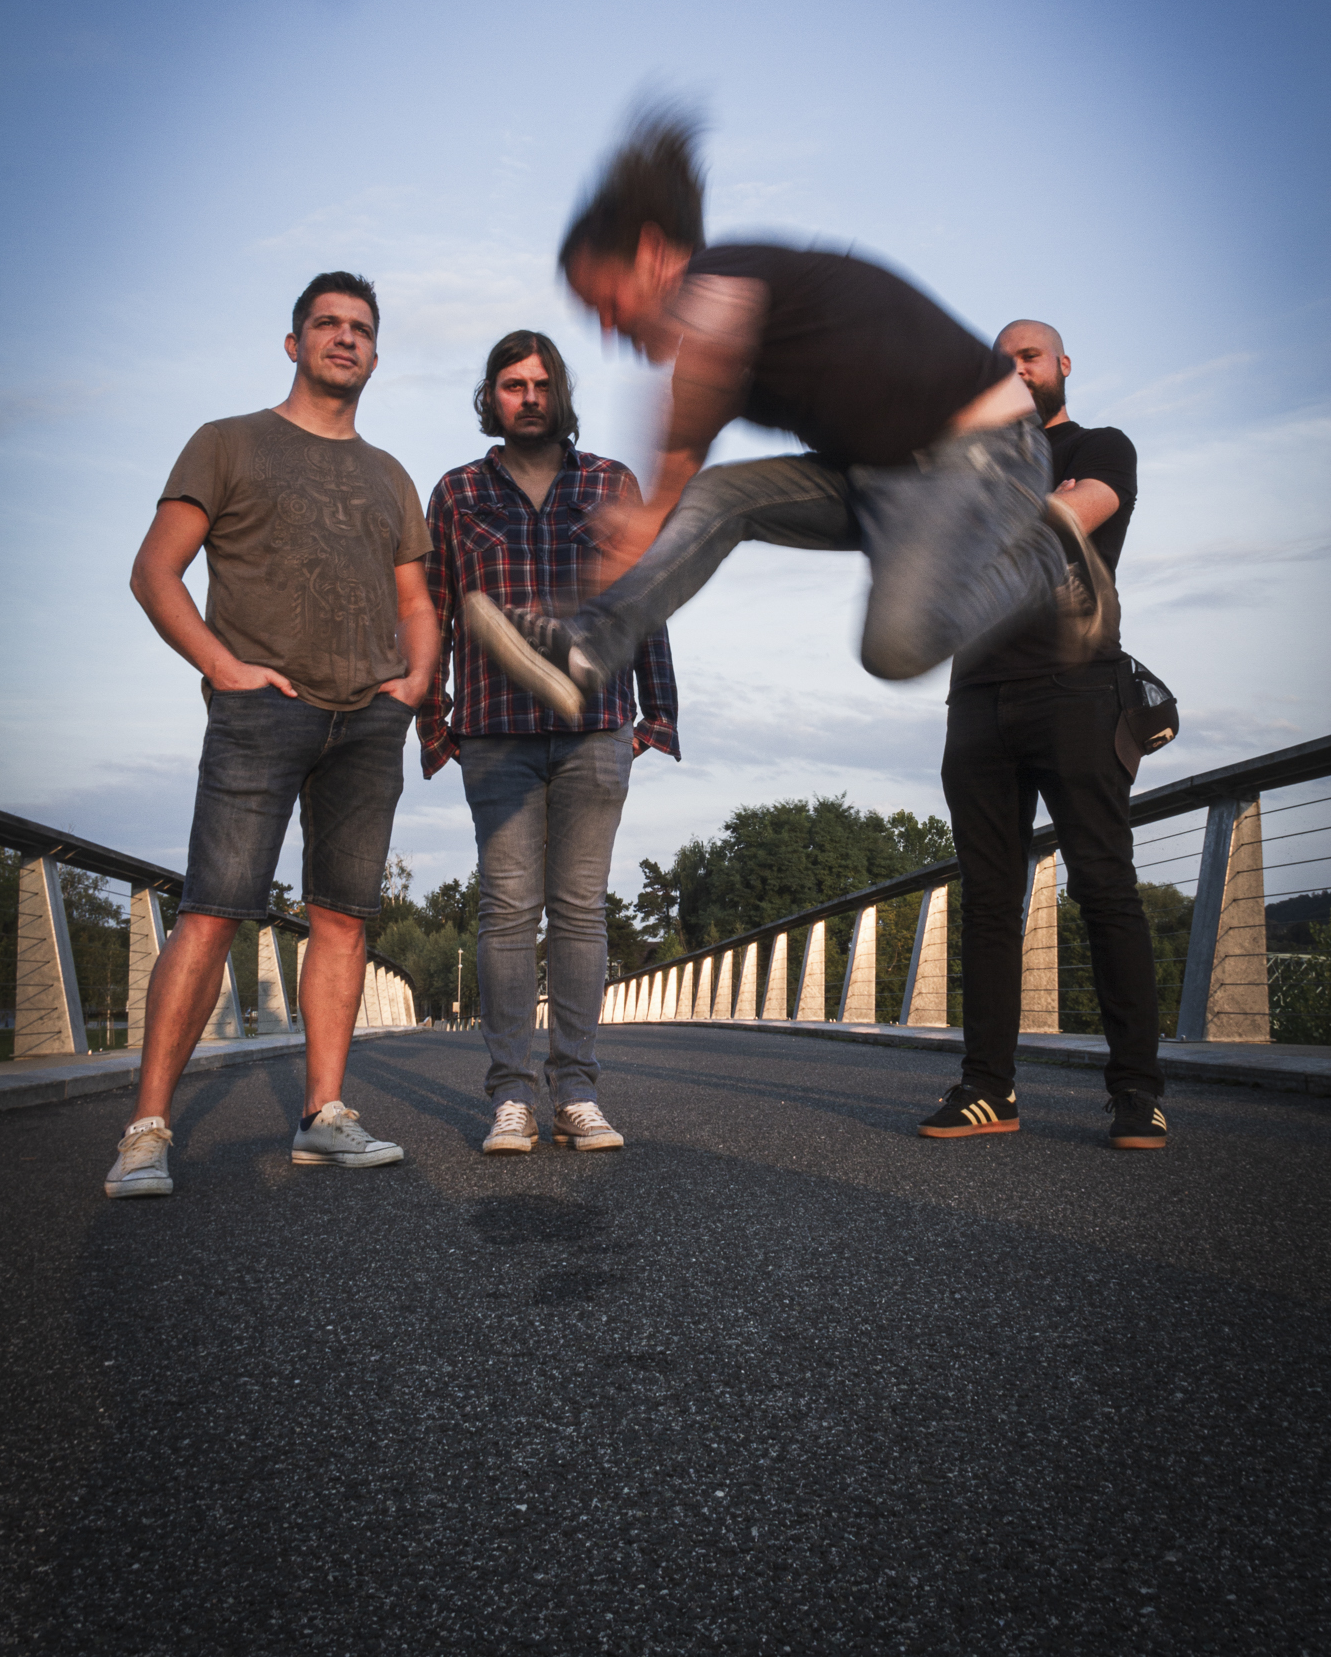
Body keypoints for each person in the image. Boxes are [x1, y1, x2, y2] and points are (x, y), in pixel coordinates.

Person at [461, 110, 1118, 732]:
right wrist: (609, 562)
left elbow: (691, 396)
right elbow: (674, 484)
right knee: (718, 498)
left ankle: (1048, 557)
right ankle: (585, 648)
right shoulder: (708, 345)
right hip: (877, 478)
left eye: (608, 302)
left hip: (988, 457)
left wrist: (647, 510)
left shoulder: (724, 280)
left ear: (653, 254)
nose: (610, 330)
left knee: (894, 648)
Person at [104, 273, 439, 1198]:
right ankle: (145, 1132)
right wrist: (223, 666)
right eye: (326, 324)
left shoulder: (391, 474)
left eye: (359, 328)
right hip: (262, 709)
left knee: (344, 917)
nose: (344, 338)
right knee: (214, 910)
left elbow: (416, 599)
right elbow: (155, 570)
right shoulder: (227, 442)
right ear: (294, 344)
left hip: (368, 718)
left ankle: (323, 1117)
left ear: (375, 354)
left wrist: (414, 683)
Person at [419, 331, 679, 1153]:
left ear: (559, 394)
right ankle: (510, 1096)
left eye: (540, 384)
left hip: (595, 728)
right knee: (505, 914)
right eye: (511, 384)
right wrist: (434, 722)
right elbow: (430, 612)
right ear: (490, 397)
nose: (527, 397)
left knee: (578, 912)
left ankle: (576, 1092)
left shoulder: (610, 483)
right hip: (493, 731)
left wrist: (655, 718)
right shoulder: (457, 492)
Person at [920, 319, 1167, 1149]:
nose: (1016, 369)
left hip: (1075, 689)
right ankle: (986, 1088)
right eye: (1001, 363)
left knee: (1104, 889)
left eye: (1028, 357)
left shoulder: (1100, 446)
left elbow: (1068, 516)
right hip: (976, 699)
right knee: (988, 901)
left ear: (1060, 365)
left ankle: (1136, 1093)